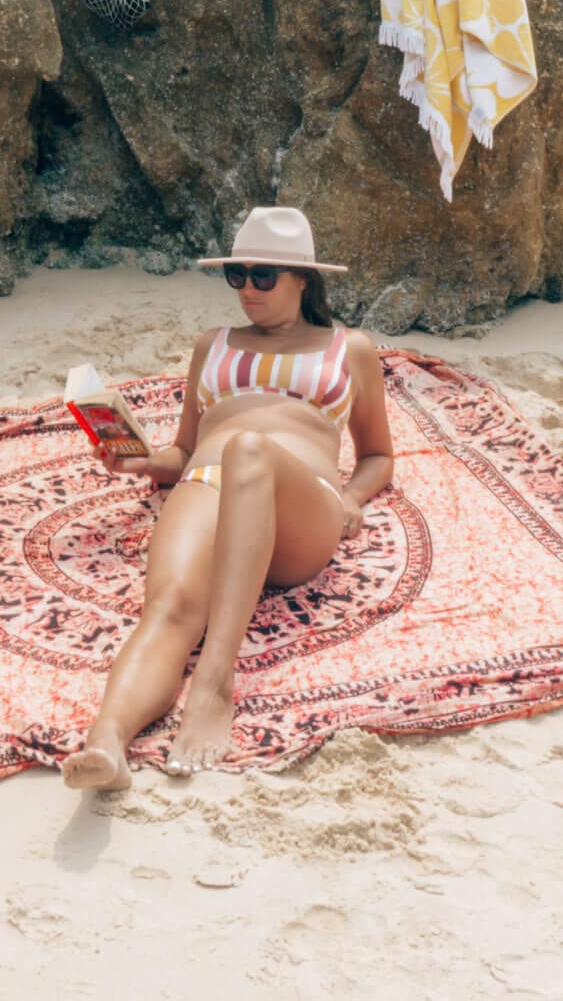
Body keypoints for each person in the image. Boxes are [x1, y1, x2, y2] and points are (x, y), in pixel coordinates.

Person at [62, 207, 394, 789]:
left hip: (299, 505)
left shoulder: (350, 350)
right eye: (236, 275)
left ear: (303, 281)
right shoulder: (211, 347)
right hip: (210, 484)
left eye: (262, 276)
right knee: (167, 610)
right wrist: (138, 460)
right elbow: (186, 451)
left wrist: (351, 496)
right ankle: (108, 742)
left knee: (247, 448)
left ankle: (215, 681)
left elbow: (378, 456)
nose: (247, 289)